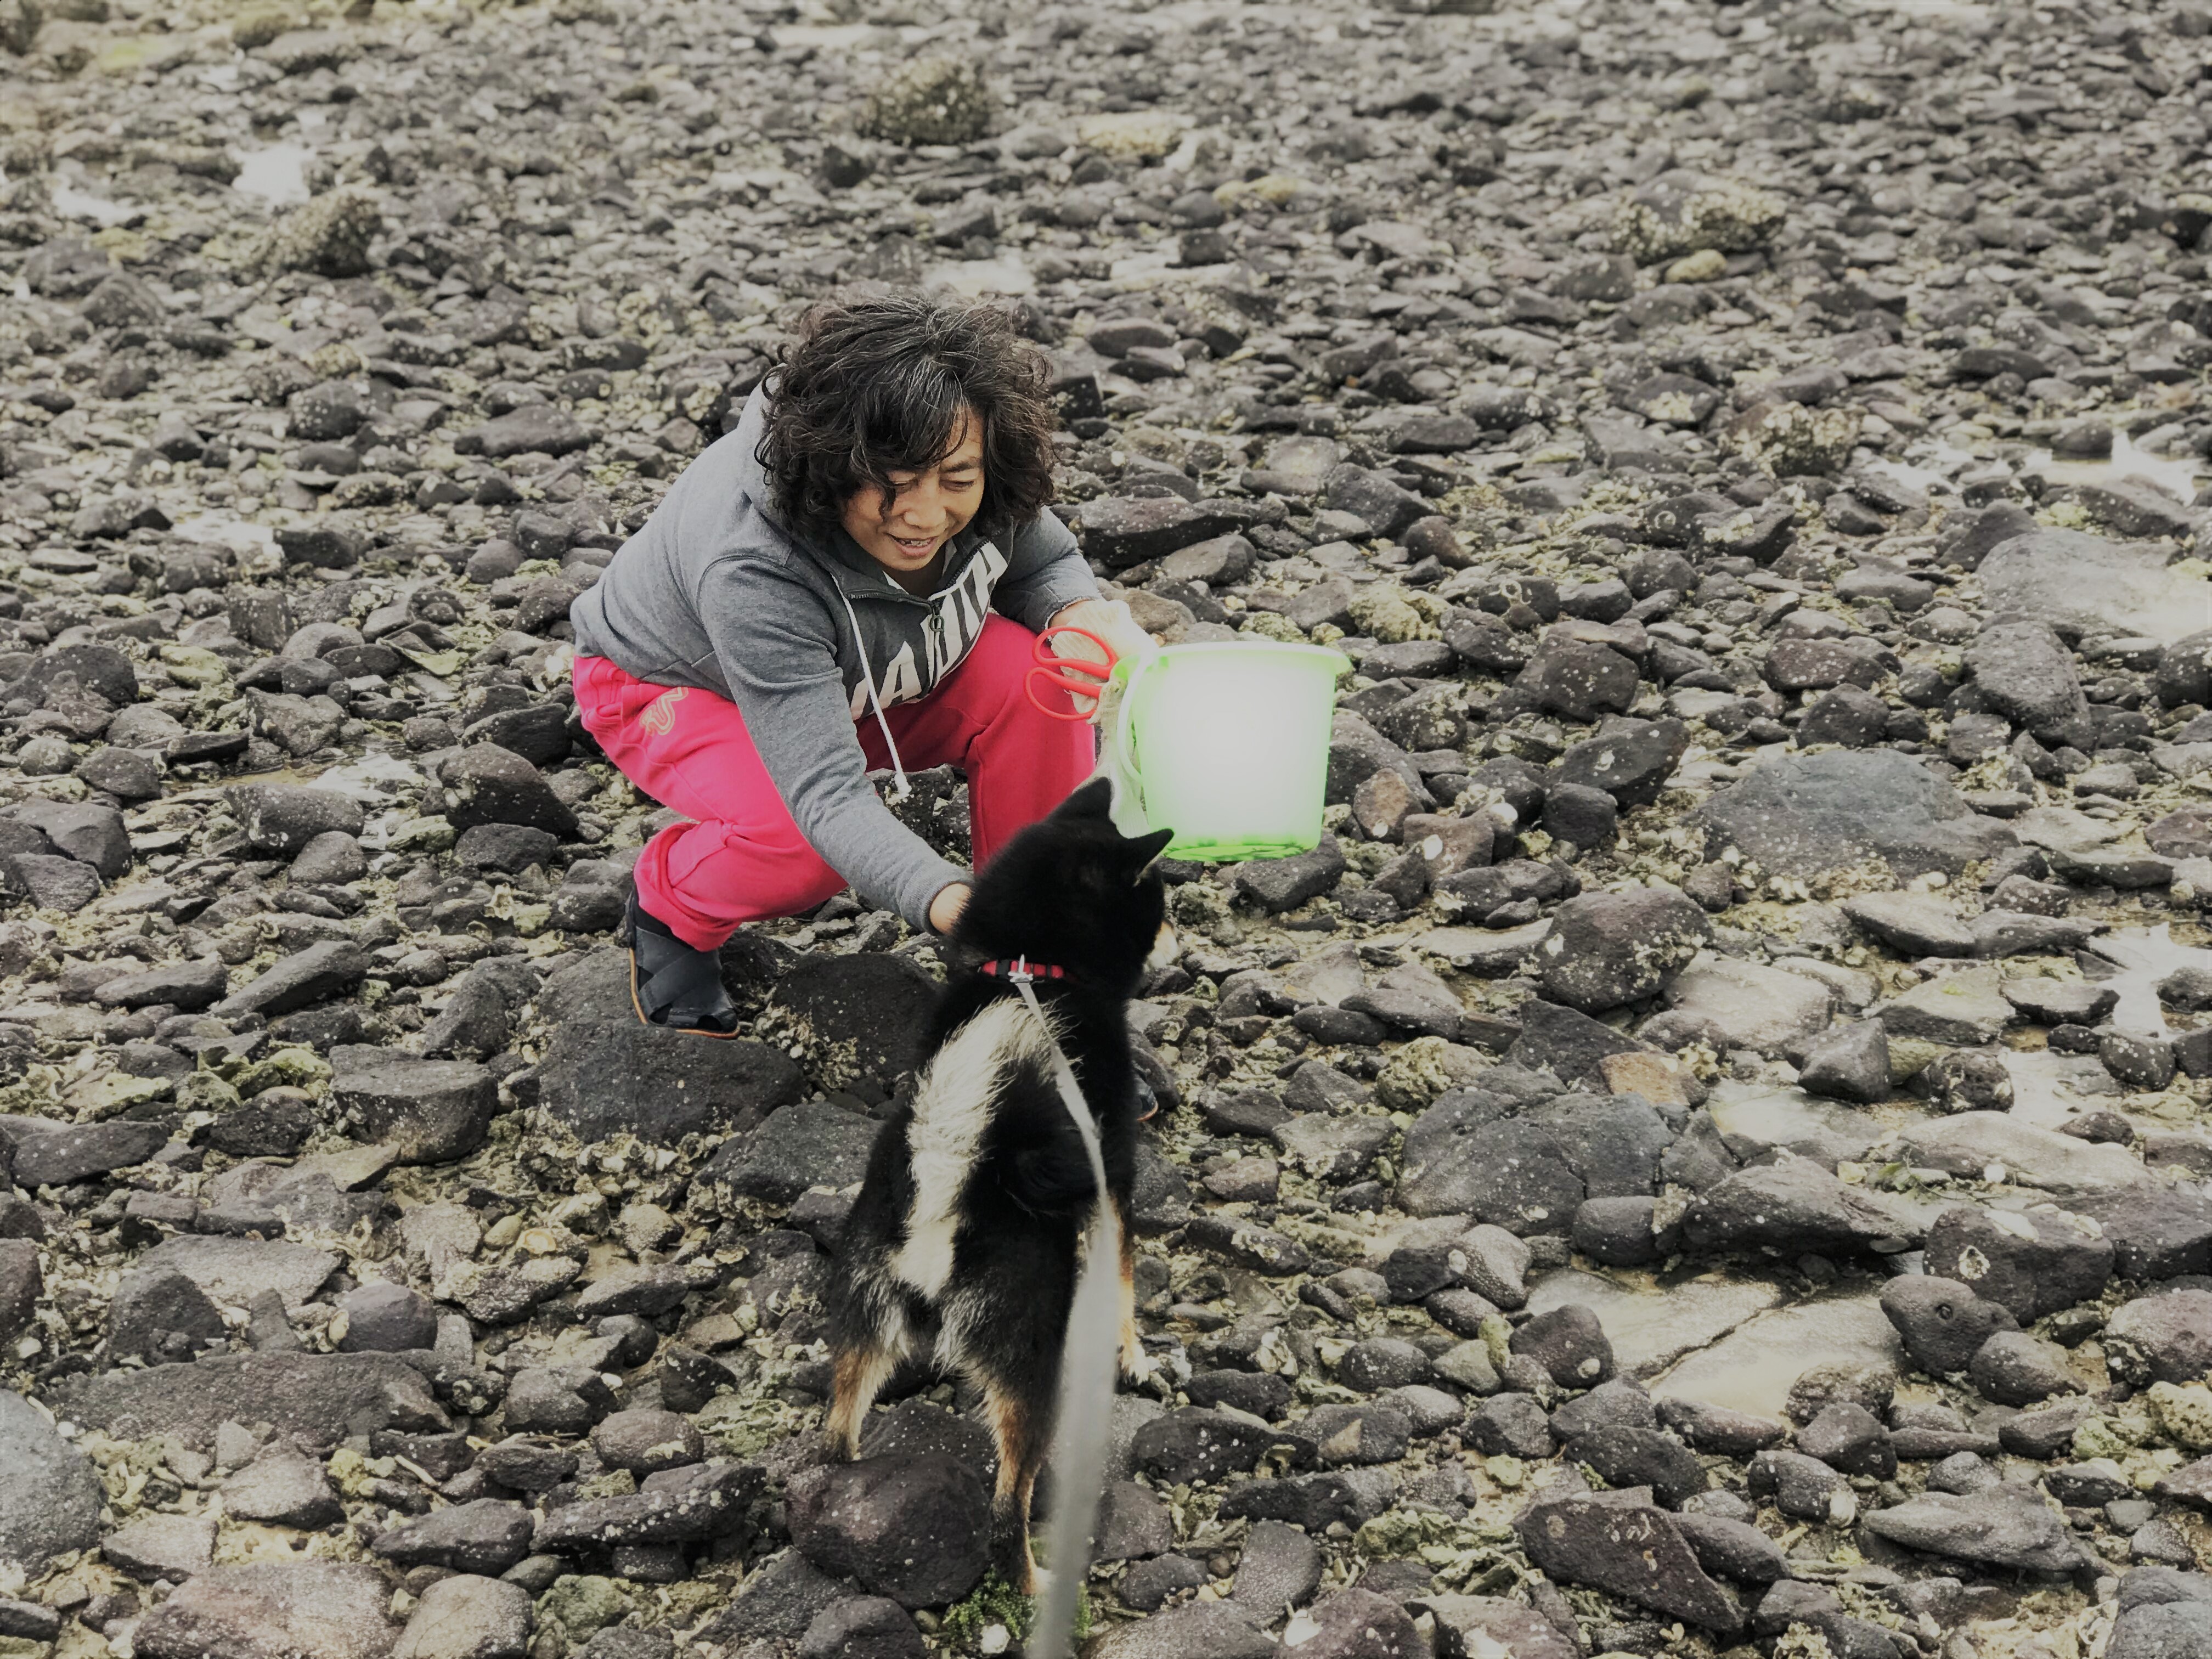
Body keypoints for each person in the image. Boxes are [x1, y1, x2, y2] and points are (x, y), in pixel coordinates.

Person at [570, 294, 1154, 1034]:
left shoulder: (979, 453)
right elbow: (826, 796)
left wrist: (1083, 618)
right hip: (679, 684)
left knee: (1048, 679)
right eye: (893, 481)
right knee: (799, 845)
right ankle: (671, 904)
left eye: (953, 478)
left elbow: (1045, 566)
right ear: (831, 461)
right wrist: (952, 902)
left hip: (872, 675)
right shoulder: (754, 566)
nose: (924, 515)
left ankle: (1029, 966)